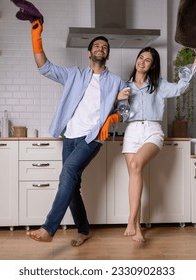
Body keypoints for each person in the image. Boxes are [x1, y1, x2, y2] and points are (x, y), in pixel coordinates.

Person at [26, 18, 127, 246]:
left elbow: (127, 111)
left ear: (107, 55)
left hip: (92, 137)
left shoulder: (116, 82)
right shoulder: (74, 75)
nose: (101, 48)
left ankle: (49, 228)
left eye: (105, 47)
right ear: (89, 53)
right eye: (97, 46)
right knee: (72, 185)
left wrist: (113, 116)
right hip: (69, 137)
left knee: (67, 174)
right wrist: (36, 37)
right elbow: (45, 67)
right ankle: (84, 229)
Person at [100, 47, 196, 242]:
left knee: (135, 166)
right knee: (135, 175)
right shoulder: (124, 87)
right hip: (131, 132)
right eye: (140, 57)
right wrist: (117, 100)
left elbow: (180, 88)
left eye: (147, 60)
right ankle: (138, 228)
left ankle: (129, 220)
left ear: (152, 65)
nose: (142, 62)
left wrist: (195, 63)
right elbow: (115, 111)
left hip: (152, 131)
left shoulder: (158, 85)